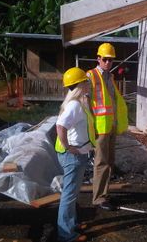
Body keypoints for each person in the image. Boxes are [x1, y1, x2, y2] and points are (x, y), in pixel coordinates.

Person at [55, 67, 96, 242]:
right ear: (79, 85)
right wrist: (68, 146)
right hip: (72, 156)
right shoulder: (74, 105)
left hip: (76, 154)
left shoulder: (78, 103)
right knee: (69, 195)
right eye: (85, 82)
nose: (88, 84)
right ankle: (66, 235)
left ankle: (71, 225)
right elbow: (60, 126)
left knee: (71, 193)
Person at [86, 43, 128, 211]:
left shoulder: (109, 77)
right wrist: (90, 127)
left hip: (110, 126)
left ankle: (104, 193)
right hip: (99, 128)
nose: (108, 62)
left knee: (109, 162)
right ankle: (98, 198)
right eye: (105, 59)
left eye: (110, 60)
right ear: (98, 59)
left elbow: (113, 101)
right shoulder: (91, 76)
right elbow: (86, 102)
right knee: (101, 163)